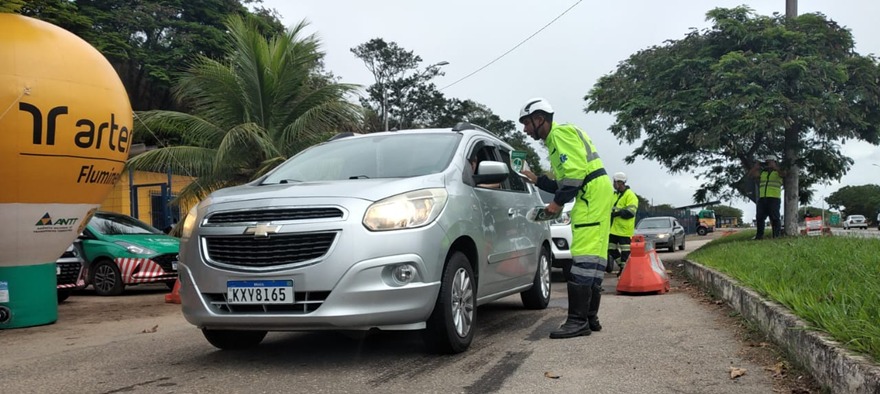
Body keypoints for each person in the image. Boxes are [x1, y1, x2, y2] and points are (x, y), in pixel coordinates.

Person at [518, 97, 613, 339]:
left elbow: (573, 178)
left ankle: (577, 321)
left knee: (583, 255)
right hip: (598, 192)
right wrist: (538, 179)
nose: (525, 129)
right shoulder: (562, 136)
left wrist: (555, 204)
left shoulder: (559, 135)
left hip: (590, 195)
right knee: (596, 256)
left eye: (527, 123)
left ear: (540, 119)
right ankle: (590, 317)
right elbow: (564, 180)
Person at [608, 172, 638, 276]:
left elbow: (631, 213)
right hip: (614, 229)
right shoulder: (615, 195)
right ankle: (623, 266)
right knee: (610, 248)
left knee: (626, 252)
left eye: (615, 182)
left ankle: (625, 271)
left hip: (624, 230)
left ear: (620, 183)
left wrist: (616, 214)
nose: (613, 184)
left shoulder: (630, 195)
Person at [749, 155, 784, 239]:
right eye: (766, 162)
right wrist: (756, 167)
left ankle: (776, 235)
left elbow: (784, 174)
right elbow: (751, 175)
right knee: (759, 217)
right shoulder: (763, 173)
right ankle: (759, 236)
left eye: (769, 162)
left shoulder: (777, 172)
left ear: (774, 162)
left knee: (775, 218)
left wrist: (775, 167)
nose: (767, 164)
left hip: (774, 198)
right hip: (762, 198)